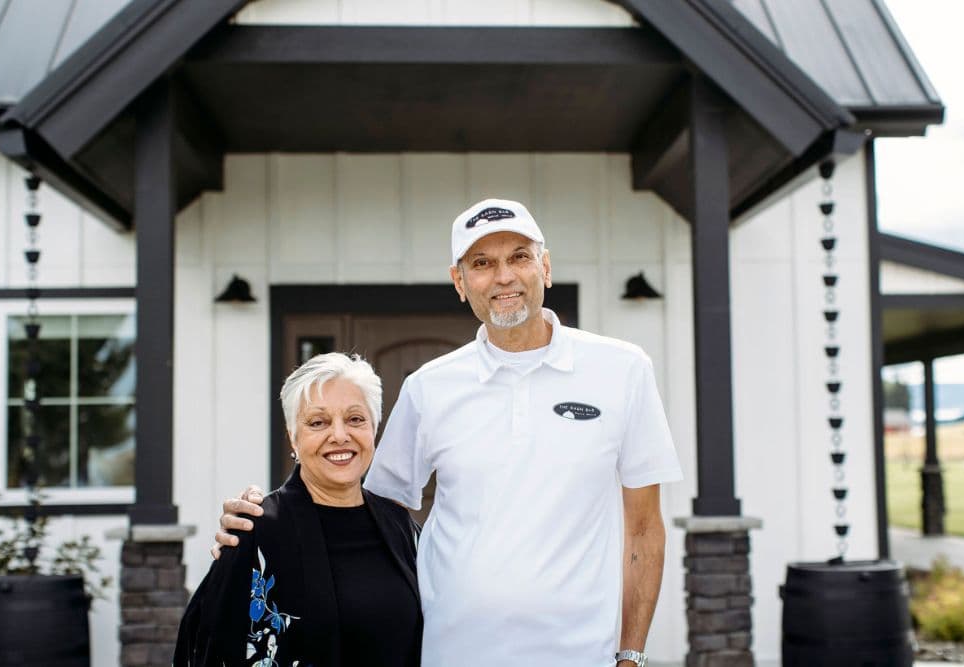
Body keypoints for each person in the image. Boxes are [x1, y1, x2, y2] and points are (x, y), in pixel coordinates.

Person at [216, 199, 682, 667]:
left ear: (545, 266)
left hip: (582, 654)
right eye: (482, 263)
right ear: (460, 283)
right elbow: (372, 511)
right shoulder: (428, 388)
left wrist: (630, 654)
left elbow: (643, 527)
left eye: (519, 256)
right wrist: (262, 532)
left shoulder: (623, 370)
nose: (504, 277)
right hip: (450, 652)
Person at [177, 353, 422, 666]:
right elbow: (208, 649)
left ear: (374, 428)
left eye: (355, 419)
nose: (339, 435)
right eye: (318, 422)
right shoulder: (257, 531)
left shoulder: (400, 527)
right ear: (293, 436)